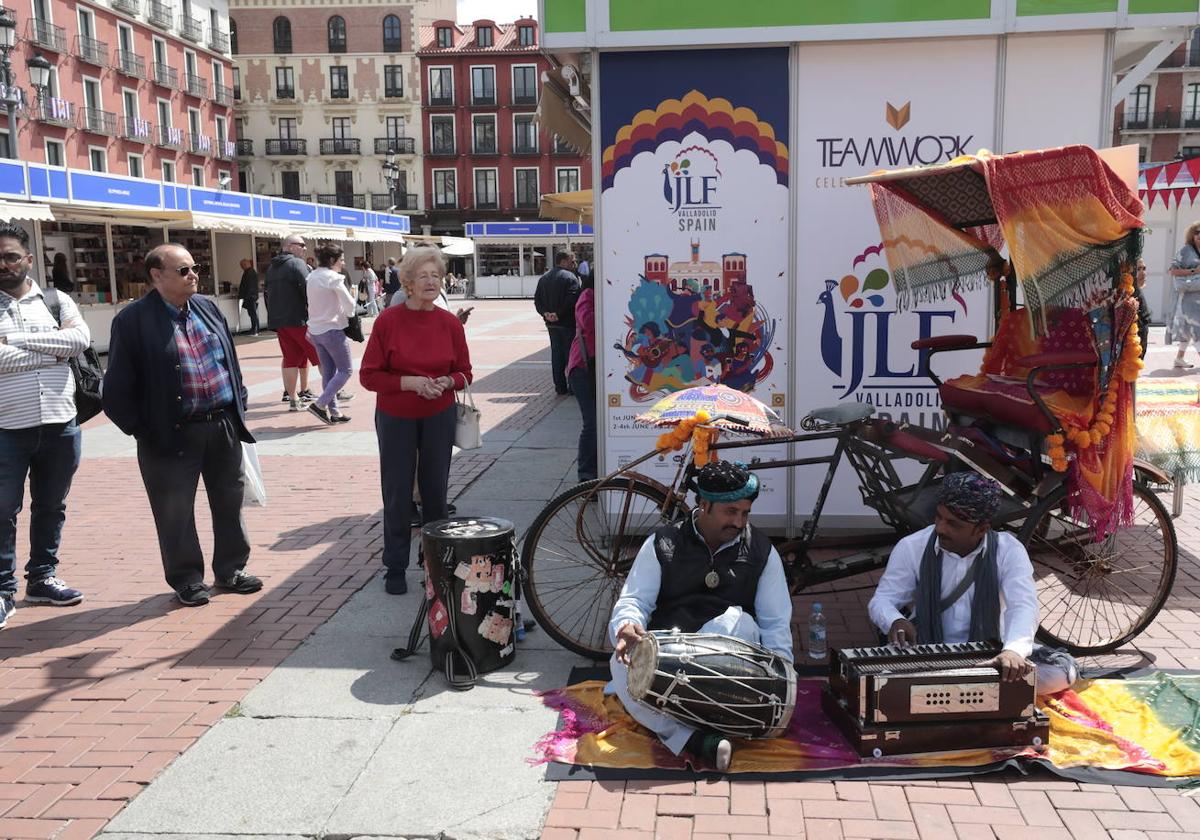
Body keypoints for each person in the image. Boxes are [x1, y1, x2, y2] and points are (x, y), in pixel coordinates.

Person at [102, 244, 263, 607]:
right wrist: (146, 430)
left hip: (221, 424)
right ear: (157, 276)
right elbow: (114, 393)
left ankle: (231, 569)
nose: (194, 275)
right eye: (184, 270)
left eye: (196, 268)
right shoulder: (132, 321)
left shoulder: (206, 308)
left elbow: (231, 363)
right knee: (174, 510)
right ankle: (187, 578)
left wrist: (239, 401)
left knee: (229, 500)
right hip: (170, 434)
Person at [608, 461, 792, 771]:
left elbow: (775, 622)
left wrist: (783, 677)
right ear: (703, 505)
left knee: (739, 620)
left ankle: (707, 725)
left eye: (745, 513)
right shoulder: (663, 543)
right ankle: (694, 741)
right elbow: (635, 599)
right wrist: (628, 624)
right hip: (669, 656)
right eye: (730, 512)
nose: (739, 522)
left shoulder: (761, 551)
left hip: (728, 657)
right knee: (620, 662)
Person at [868, 472, 1077, 694]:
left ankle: (959, 689)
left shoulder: (1009, 550)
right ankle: (979, 692)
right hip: (925, 653)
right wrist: (895, 620)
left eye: (953, 524)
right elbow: (882, 600)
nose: (940, 528)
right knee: (877, 679)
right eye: (938, 517)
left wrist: (1013, 651)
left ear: (981, 529)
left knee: (1063, 672)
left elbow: (1023, 605)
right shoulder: (912, 546)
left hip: (989, 656)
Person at [360, 246, 472, 595]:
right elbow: (368, 376)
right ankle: (395, 565)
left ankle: (436, 565)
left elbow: (465, 371)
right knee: (396, 492)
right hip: (397, 416)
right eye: (422, 276)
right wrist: (408, 383)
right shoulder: (388, 322)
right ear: (407, 283)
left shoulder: (450, 322)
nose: (430, 281)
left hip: (438, 414)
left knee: (436, 492)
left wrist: (447, 382)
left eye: (436, 276)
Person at [0, 223, 89, 629]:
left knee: (52, 506)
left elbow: (80, 341)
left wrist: (16, 343)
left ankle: (41, 578)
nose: (4, 264)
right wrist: (49, 348)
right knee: (3, 510)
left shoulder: (55, 300)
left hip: (60, 421)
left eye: (10, 256)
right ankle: (3, 590)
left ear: (28, 260)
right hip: (7, 427)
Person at [265, 234, 320, 410]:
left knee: (290, 359)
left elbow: (267, 294)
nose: (305, 248)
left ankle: (294, 398)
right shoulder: (297, 264)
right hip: (300, 319)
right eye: (301, 245)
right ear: (289, 246)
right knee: (321, 356)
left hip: (280, 321)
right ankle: (332, 394)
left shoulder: (271, 268)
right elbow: (309, 290)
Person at [305, 244, 356, 425]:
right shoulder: (333, 278)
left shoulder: (312, 276)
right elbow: (350, 306)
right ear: (333, 260)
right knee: (345, 370)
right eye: (341, 260)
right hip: (332, 329)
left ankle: (334, 412)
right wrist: (350, 312)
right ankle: (320, 404)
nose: (343, 263)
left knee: (328, 372)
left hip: (315, 330)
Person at [534, 252, 581, 396]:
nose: (574, 264)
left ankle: (560, 387)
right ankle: (572, 386)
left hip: (551, 324)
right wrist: (558, 314)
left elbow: (537, 300)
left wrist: (546, 313)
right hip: (567, 323)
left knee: (556, 355)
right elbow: (573, 299)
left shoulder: (544, 278)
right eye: (572, 261)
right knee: (570, 355)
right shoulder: (571, 278)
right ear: (565, 261)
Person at [566, 271, 597, 482]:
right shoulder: (587, 295)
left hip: (597, 369)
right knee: (592, 423)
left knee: (598, 422)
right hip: (583, 369)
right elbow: (590, 322)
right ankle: (585, 475)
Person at [1169, 222, 1200, 369]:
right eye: (1197, 232)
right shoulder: (1186, 251)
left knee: (1187, 330)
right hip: (1188, 297)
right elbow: (1173, 271)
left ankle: (1179, 358)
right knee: (1197, 328)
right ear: (1192, 235)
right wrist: (1194, 271)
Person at [238, 258, 260, 335]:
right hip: (251, 296)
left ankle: (255, 329)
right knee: (252, 313)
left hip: (250, 297)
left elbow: (249, 286)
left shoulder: (249, 273)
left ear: (245, 264)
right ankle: (255, 328)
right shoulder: (250, 272)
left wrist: (246, 296)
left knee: (252, 313)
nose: (241, 267)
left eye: (242, 265)